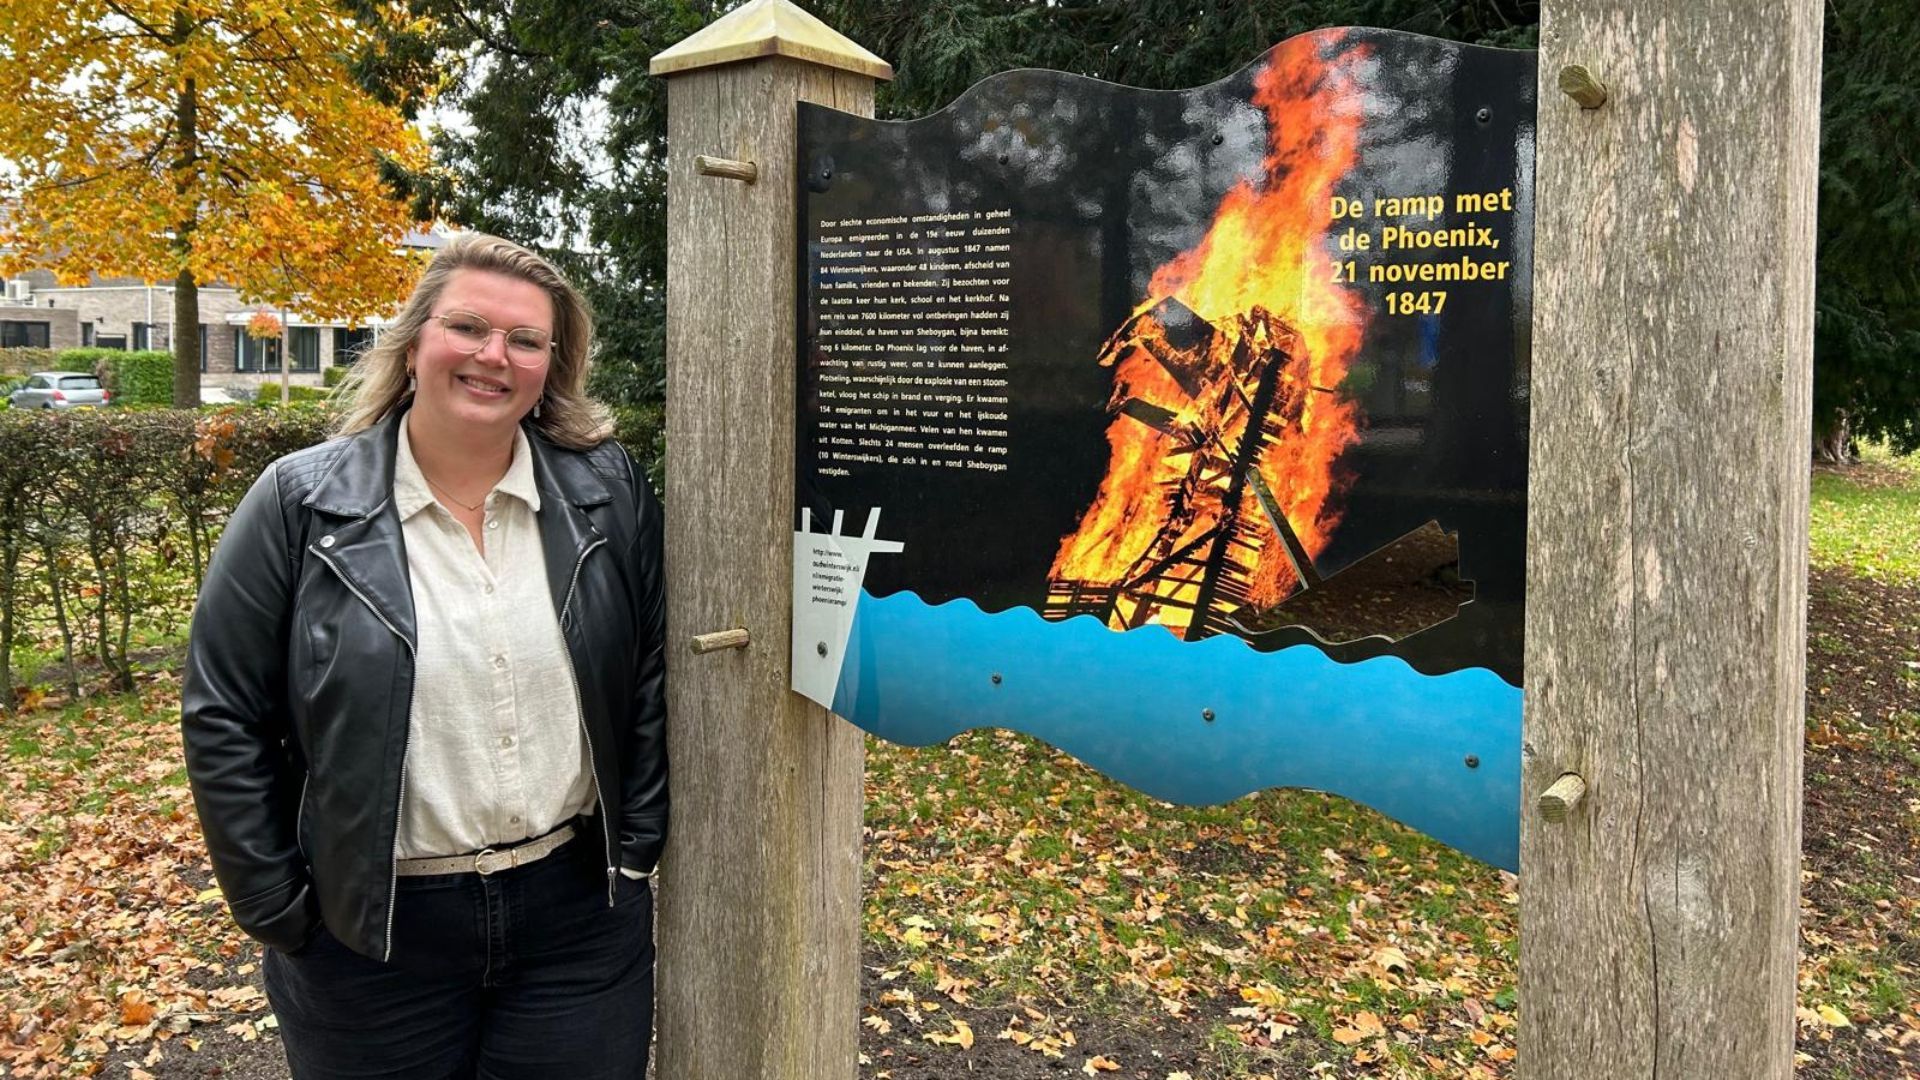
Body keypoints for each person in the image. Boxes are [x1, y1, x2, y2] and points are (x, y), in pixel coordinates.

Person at [181, 233, 667, 1079]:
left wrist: (636, 842)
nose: (494, 355)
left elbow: (650, 672)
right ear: (413, 342)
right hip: (371, 936)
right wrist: (277, 908)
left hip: (575, 923)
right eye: (469, 327)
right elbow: (224, 711)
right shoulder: (301, 504)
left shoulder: (607, 492)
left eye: (525, 340)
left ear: (552, 365)